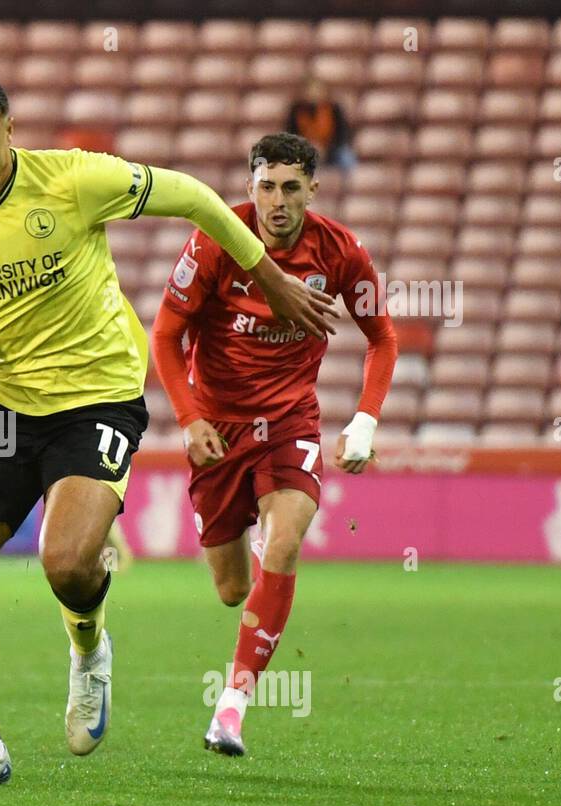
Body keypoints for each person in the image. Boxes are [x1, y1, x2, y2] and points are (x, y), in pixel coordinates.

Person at [0, 75, 335, 785]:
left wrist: (265, 276)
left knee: (68, 563)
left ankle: (89, 651)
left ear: (11, 133)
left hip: (98, 397)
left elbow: (196, 198)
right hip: (6, 405)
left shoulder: (72, 179)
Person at [150, 132, 398, 756]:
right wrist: (189, 419)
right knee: (232, 589)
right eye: (266, 187)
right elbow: (165, 335)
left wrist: (365, 419)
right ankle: (255, 545)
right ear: (250, 187)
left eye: (291, 188)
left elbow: (382, 337)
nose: (277, 201)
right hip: (217, 431)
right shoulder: (215, 240)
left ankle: (230, 709)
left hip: (290, 424)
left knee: (284, 544)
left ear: (313, 189)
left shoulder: (341, 251)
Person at [286, 76, 357, 173]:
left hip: (332, 149)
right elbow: (290, 136)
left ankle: (348, 181)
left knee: (346, 156)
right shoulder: (296, 111)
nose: (312, 94)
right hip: (304, 151)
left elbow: (342, 135)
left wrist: (327, 149)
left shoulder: (333, 109)